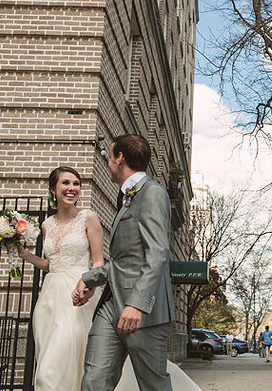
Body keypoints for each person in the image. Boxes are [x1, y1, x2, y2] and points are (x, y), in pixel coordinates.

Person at [72, 134, 199, 391]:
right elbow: (125, 261)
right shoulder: (125, 198)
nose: (107, 162)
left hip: (144, 313)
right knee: (94, 380)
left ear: (119, 158)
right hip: (110, 305)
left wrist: (138, 305)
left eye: (109, 156)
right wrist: (89, 278)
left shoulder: (153, 193)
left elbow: (158, 253)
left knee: (153, 385)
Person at [17, 166, 104, 391]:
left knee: (59, 366)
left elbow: (98, 263)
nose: (72, 188)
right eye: (65, 183)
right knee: (48, 359)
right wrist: (27, 256)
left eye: (76, 184)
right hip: (49, 297)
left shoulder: (88, 217)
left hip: (77, 296)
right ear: (53, 189)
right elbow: (51, 265)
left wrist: (91, 288)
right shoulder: (47, 224)